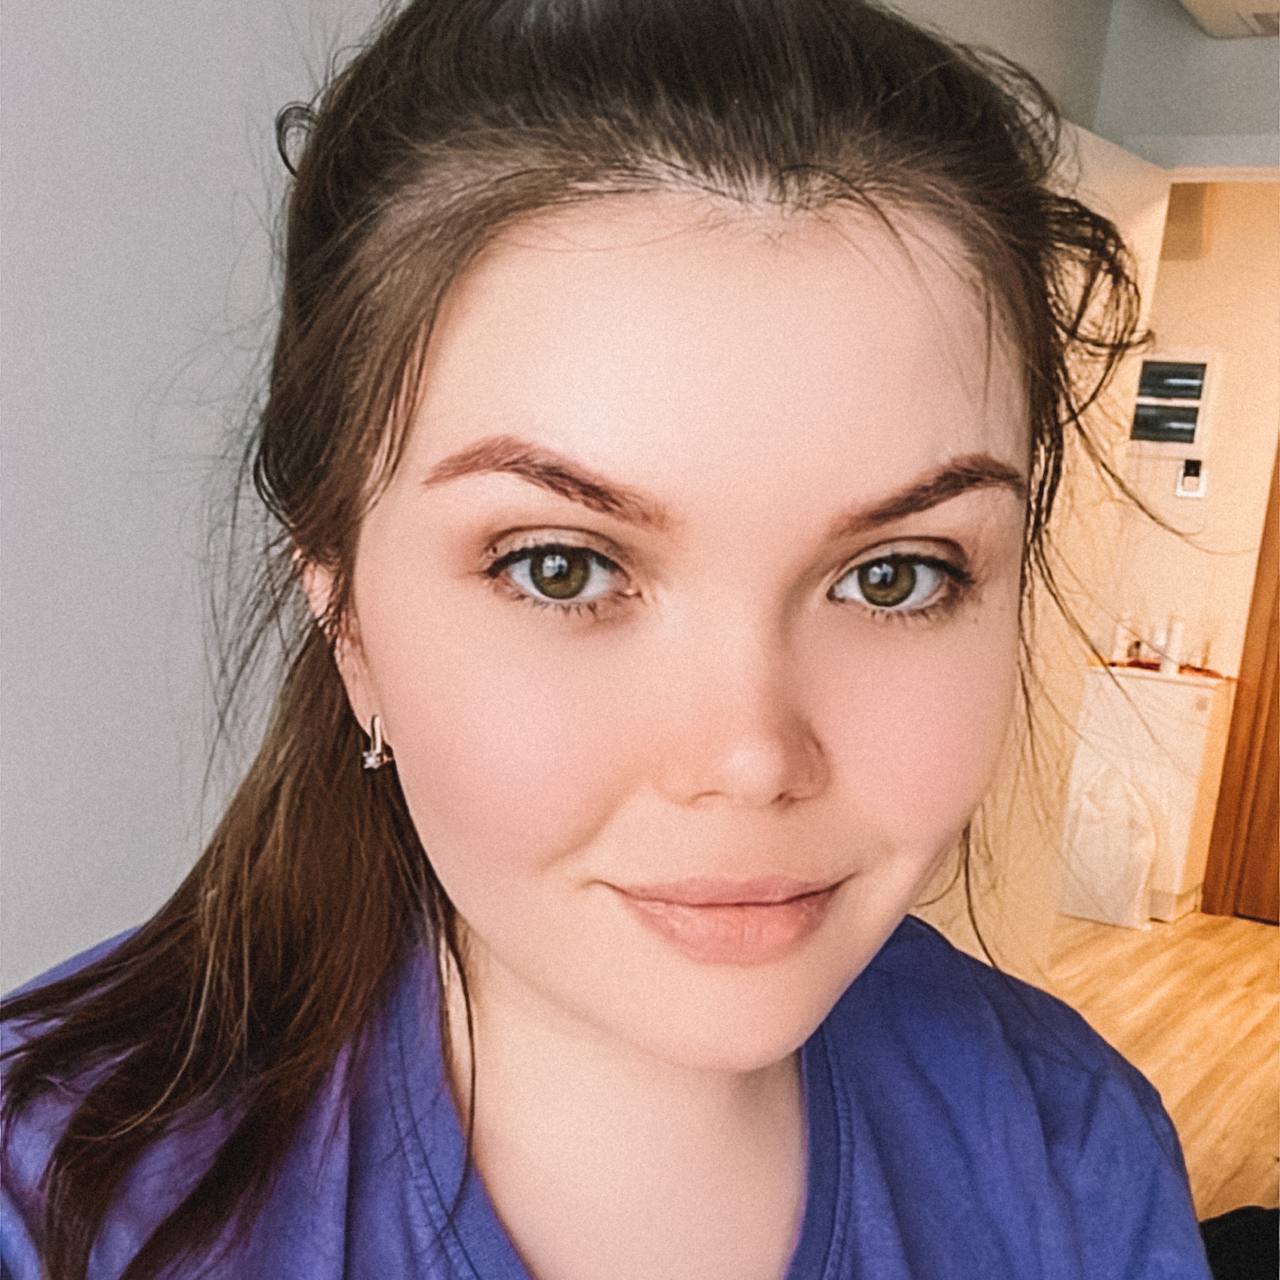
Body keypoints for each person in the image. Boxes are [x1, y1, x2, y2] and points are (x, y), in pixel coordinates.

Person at [0, 1, 1215, 1277]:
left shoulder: (1073, 1152)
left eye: (893, 574)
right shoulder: (53, 1202)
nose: (749, 758)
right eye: (561, 565)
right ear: (347, 620)